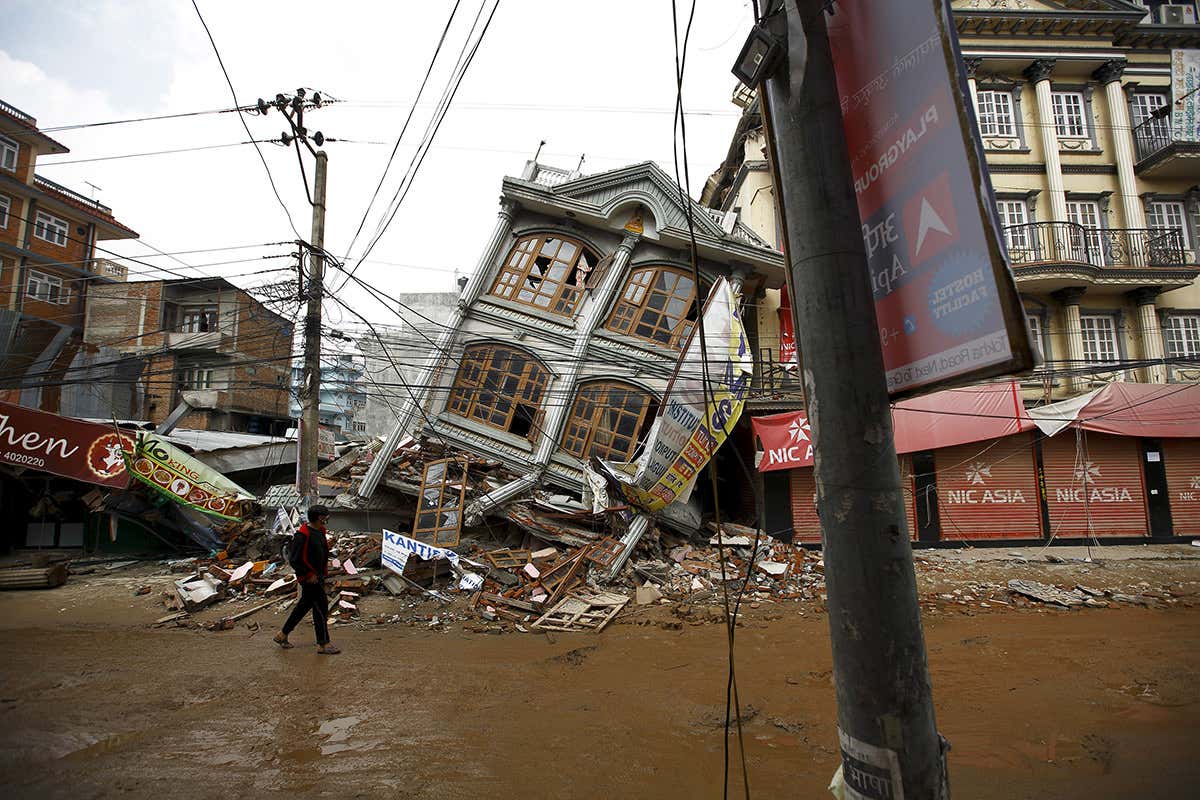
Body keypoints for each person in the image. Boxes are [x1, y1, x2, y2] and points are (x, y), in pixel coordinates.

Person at [274, 504, 340, 654]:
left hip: (318, 576)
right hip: (309, 579)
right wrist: (309, 574)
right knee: (321, 607)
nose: (326, 520)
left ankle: (282, 634)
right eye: (325, 517)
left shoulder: (319, 531)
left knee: (303, 606)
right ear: (319, 518)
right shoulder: (302, 536)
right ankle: (323, 644)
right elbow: (295, 559)